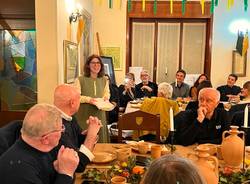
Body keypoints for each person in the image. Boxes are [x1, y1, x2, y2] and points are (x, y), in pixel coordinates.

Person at [0, 104, 79, 184]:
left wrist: (58, 171)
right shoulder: (19, 171)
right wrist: (66, 174)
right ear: (46, 139)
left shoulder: (41, 150)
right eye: (61, 128)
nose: (62, 132)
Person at [53, 84, 101, 172]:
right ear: (72, 103)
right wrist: (91, 135)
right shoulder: (56, 126)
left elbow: (78, 140)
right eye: (79, 98)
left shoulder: (68, 116)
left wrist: (90, 131)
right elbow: (78, 165)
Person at [74, 54, 110, 142]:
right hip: (84, 115)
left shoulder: (104, 79)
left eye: (98, 63)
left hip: (99, 114)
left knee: (100, 142)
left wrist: (106, 98)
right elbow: (76, 97)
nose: (96, 65)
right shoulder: (80, 79)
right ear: (88, 65)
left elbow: (107, 93)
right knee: (85, 140)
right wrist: (88, 100)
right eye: (93, 63)